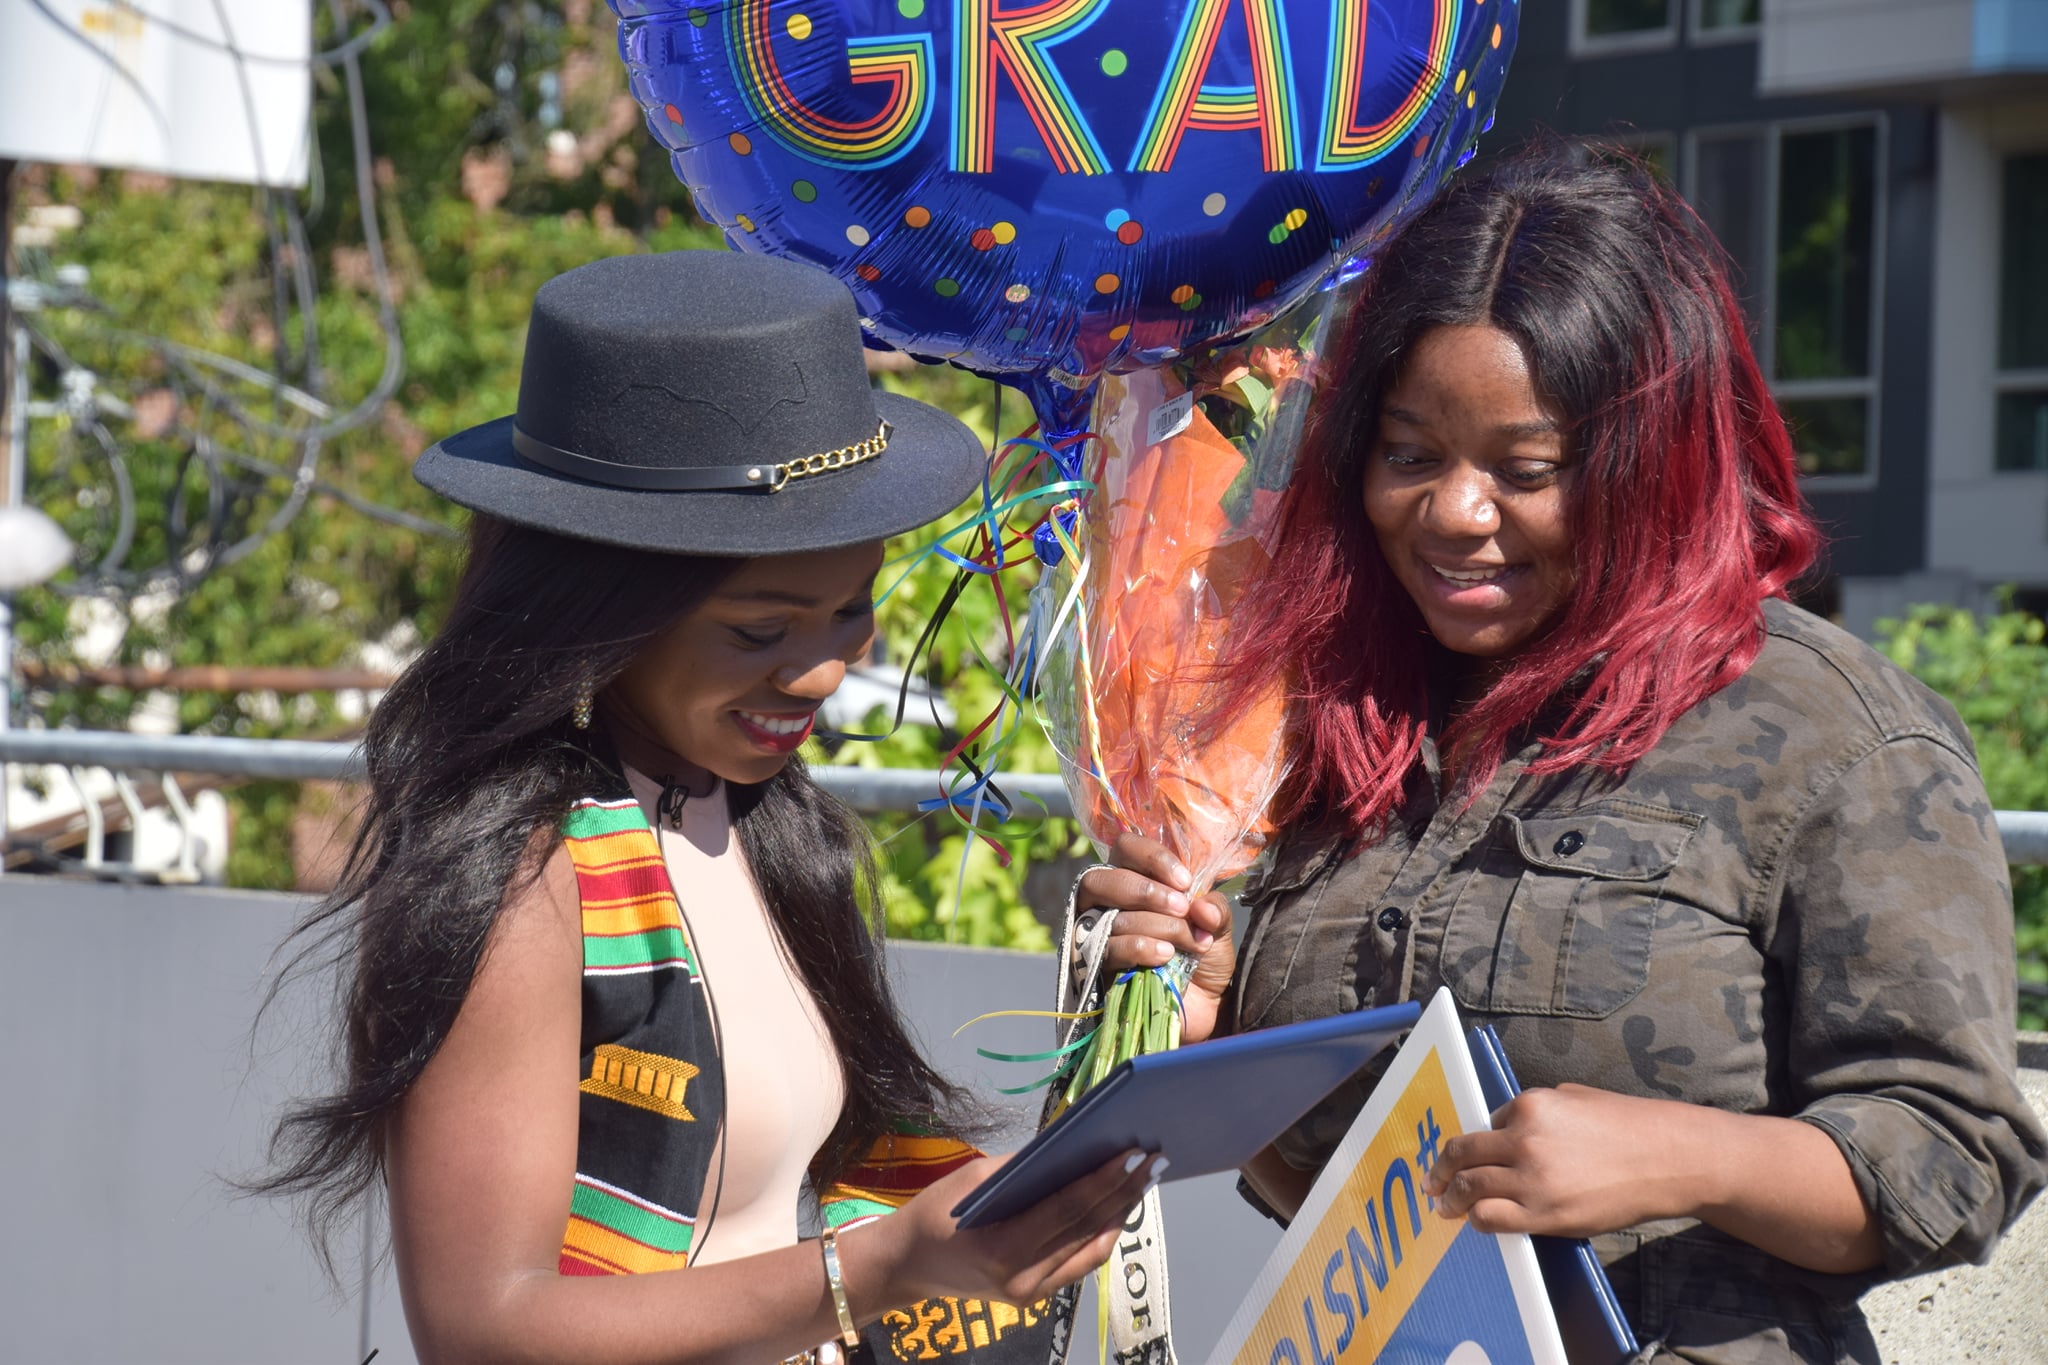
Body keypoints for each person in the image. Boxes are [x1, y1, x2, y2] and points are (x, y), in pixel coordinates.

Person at [1074, 149, 2048, 1364]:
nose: (1453, 513)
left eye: (1524, 471)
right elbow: (1317, 1194)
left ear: (1659, 460)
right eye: (1409, 455)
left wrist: (1678, 1156)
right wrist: (1206, 1044)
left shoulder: (1836, 736)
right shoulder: (1320, 716)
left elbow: (1958, 1160)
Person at [260, 250, 1162, 1365]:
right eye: (758, 631)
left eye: (849, 608)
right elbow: (481, 1327)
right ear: (599, 611)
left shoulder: (764, 826)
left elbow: (816, 1221)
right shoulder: (527, 881)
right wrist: (880, 1268)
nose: (824, 673)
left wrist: (1135, 1026)